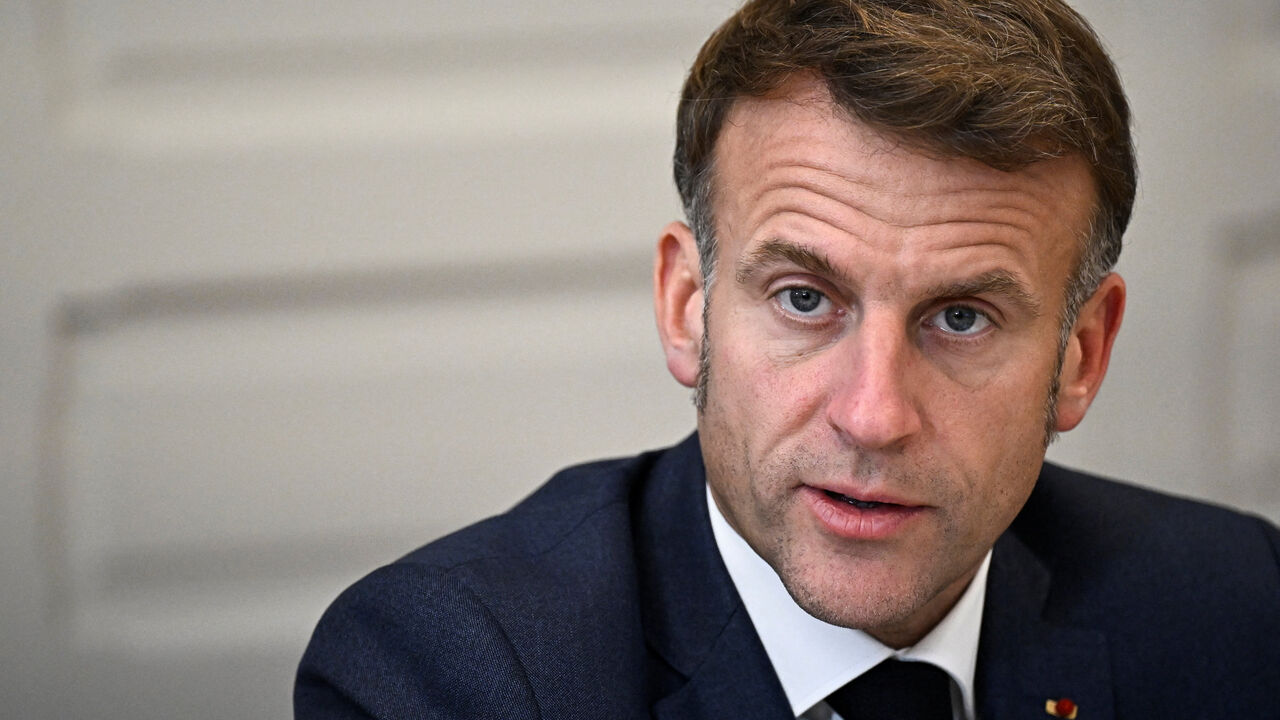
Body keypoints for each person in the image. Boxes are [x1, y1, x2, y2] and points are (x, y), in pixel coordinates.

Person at [295, 1, 1280, 717]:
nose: (872, 414)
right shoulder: (458, 675)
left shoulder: (1235, 606)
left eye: (961, 318)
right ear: (688, 309)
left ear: (1080, 354)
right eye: (804, 299)